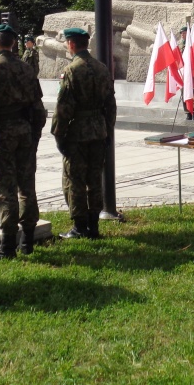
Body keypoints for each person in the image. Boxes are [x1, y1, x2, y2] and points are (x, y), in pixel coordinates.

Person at [0, 24, 47, 259]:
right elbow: (38, 108)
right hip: (25, 131)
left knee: (5, 190)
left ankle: (7, 245)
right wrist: (33, 134)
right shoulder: (26, 68)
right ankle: (27, 239)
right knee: (27, 186)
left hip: (1, 133)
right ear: (13, 43)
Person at [51, 27, 117, 239]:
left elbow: (63, 107)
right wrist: (107, 129)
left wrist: (59, 134)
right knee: (95, 178)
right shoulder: (102, 68)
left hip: (78, 133)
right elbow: (111, 104)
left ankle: (79, 227)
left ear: (71, 44)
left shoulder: (72, 70)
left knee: (75, 180)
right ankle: (94, 225)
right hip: (99, 131)